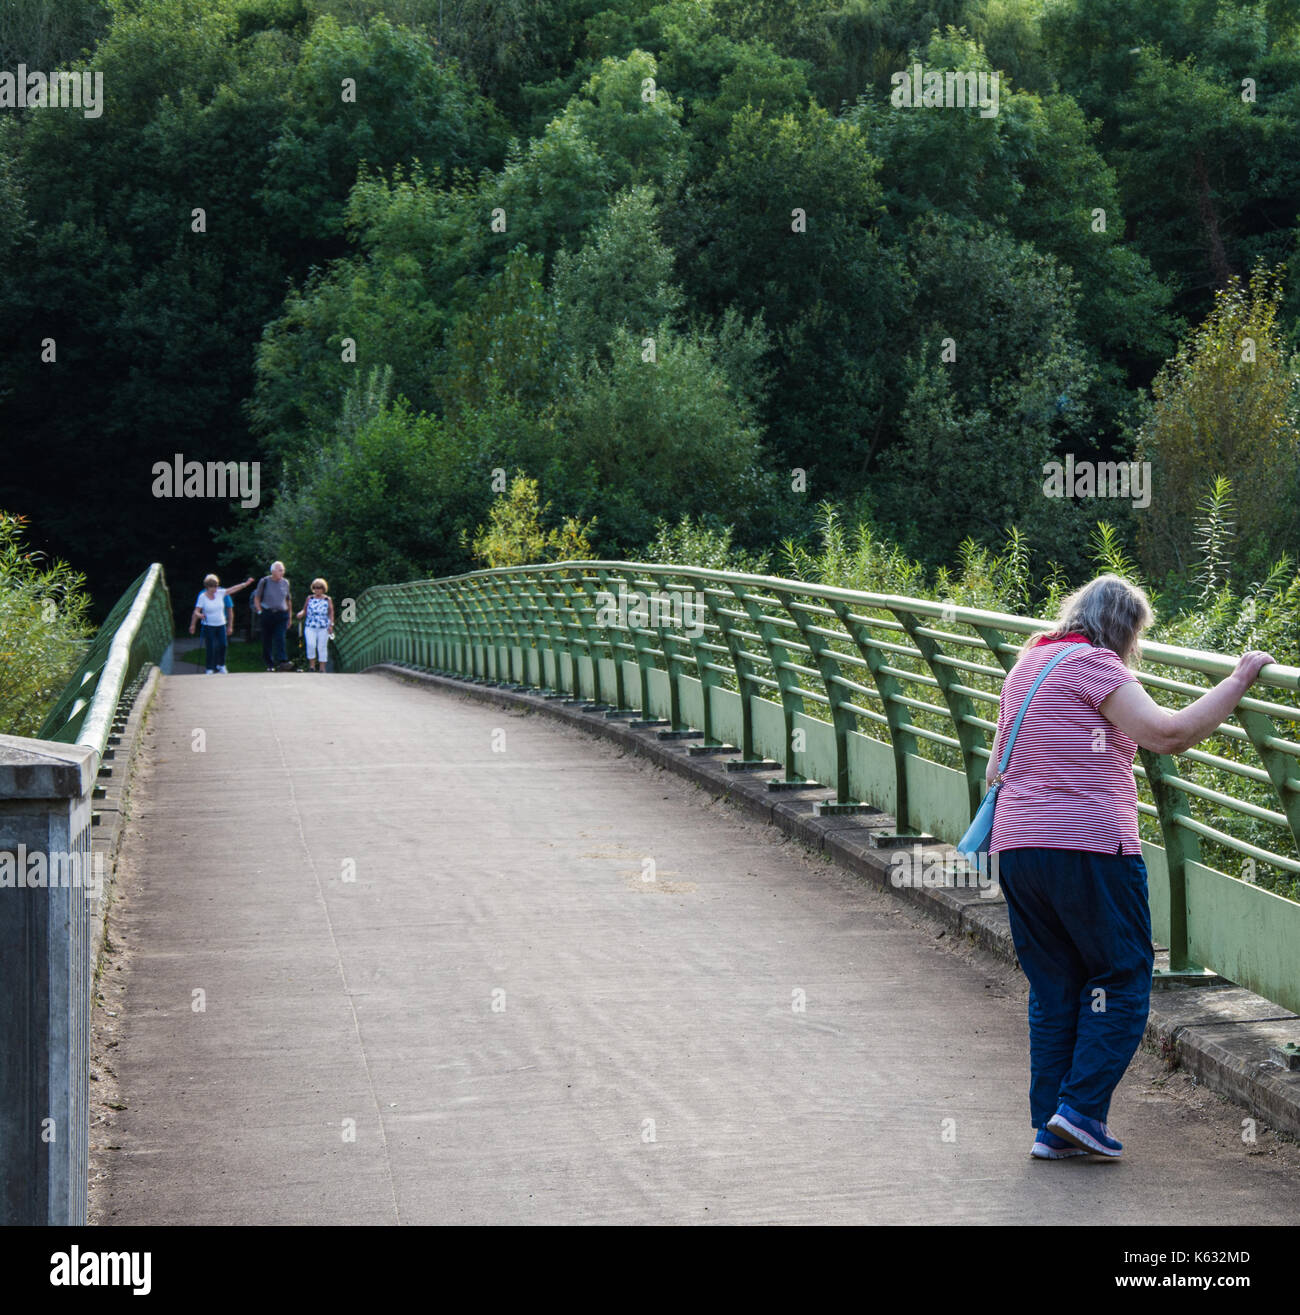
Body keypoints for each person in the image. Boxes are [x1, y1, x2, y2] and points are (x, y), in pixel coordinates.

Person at [987, 573, 1274, 1161]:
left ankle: (1054, 1126)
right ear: (1125, 630)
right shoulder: (1097, 667)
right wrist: (1240, 678)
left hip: (1018, 848)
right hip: (1089, 852)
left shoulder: (1029, 664)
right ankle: (1082, 1110)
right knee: (1120, 977)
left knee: (1055, 986)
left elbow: (996, 763)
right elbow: (1167, 735)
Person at [188, 573, 254, 674]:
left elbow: (233, 589)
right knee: (211, 647)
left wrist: (246, 584)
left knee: (223, 645)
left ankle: (221, 665)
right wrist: (196, 620)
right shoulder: (202, 596)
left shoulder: (220, 593)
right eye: (213, 587)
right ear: (207, 587)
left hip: (221, 624)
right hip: (208, 625)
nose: (215, 589)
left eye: (216, 586)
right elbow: (196, 611)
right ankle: (209, 668)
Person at [252, 561, 293, 671]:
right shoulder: (264, 581)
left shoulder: (285, 583)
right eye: (280, 570)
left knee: (280, 637)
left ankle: (282, 661)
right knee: (267, 639)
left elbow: (288, 600)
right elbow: (257, 597)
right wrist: (260, 611)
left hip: (281, 614)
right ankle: (270, 664)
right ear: (273, 571)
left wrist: (290, 616)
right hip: (267, 613)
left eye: (283, 570)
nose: (282, 572)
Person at [294, 578, 335, 672]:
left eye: (319, 588)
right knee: (311, 644)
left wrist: (331, 625)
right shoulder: (310, 598)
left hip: (323, 627)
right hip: (310, 626)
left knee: (322, 646)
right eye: (315, 588)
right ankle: (312, 666)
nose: (317, 590)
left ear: (323, 589)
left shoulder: (327, 599)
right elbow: (304, 609)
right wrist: (301, 613)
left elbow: (331, 613)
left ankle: (322, 668)